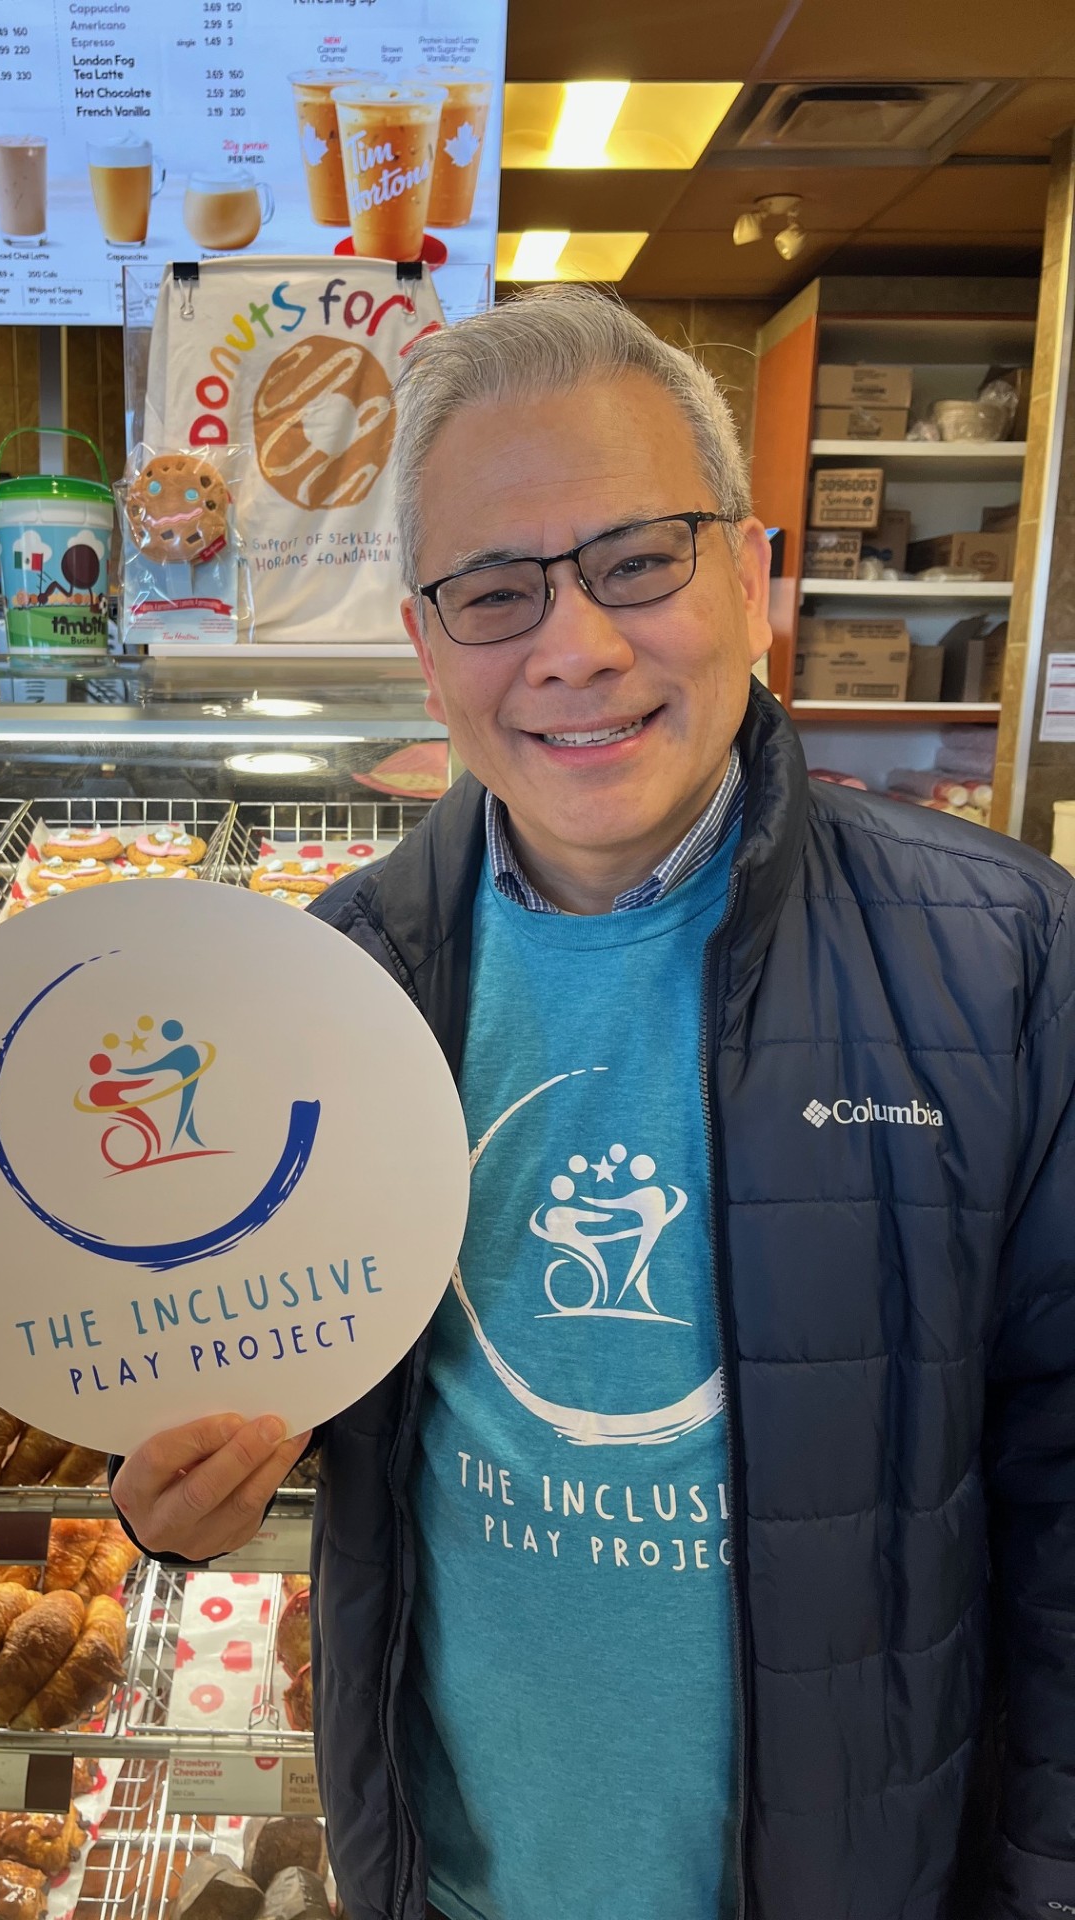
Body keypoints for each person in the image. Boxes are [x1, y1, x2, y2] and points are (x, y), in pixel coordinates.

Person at [110, 287, 1075, 1920]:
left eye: (639, 558)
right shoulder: (323, 996)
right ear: (426, 653)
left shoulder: (1007, 961)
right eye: (494, 592)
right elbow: (276, 1371)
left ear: (753, 579)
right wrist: (178, 1472)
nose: (576, 645)